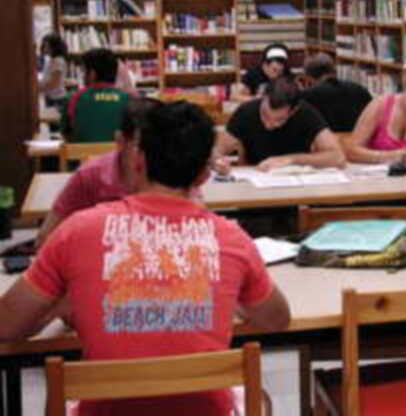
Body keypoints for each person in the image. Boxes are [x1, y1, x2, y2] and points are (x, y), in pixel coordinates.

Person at [0, 101, 291, 415]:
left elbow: (7, 325)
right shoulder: (232, 241)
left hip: (107, 410)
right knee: (262, 400)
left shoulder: (76, 232)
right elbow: (276, 319)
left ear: (138, 159)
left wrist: (65, 303)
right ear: (203, 175)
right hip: (204, 410)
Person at [36, 97, 160, 249]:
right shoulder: (90, 176)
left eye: (158, 146)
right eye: (139, 146)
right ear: (120, 141)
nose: (150, 156)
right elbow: (46, 238)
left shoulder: (176, 176)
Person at [214, 77, 345, 173]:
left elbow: (338, 158)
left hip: (295, 188)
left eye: (279, 120)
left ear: (294, 111)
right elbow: (215, 152)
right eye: (265, 115)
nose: (269, 124)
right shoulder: (246, 112)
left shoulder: (306, 113)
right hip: (254, 185)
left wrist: (291, 160)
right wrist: (218, 162)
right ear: (263, 97)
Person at [62, 48, 131, 143]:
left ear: (92, 74)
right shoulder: (129, 100)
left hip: (82, 156)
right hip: (117, 157)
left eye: (84, 71)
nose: (82, 76)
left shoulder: (73, 98)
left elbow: (65, 134)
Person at [301, 52, 371, 132]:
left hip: (326, 142)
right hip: (358, 140)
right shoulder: (359, 89)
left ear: (309, 78)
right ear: (333, 70)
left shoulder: (307, 96)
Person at [39, 33, 68, 110]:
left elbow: (54, 83)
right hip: (50, 96)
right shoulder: (50, 60)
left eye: (47, 46)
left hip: (57, 99)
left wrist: (38, 89)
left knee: (54, 120)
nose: (44, 48)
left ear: (54, 47)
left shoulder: (58, 61)